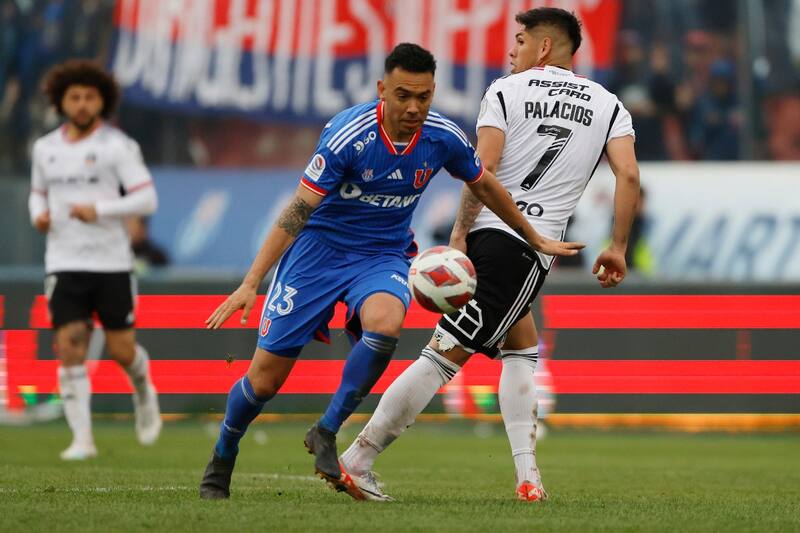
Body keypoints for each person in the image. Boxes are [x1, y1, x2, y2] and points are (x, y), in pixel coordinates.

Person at [198, 43, 583, 500]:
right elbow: (298, 211)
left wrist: (532, 235)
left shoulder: (443, 137)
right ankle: (223, 455)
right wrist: (250, 282)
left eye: (424, 96)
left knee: (386, 324)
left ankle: (327, 429)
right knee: (264, 380)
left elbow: (484, 184)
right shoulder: (348, 136)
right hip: (317, 257)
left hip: (383, 255)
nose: (414, 107)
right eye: (403, 95)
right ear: (383, 90)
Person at [337, 8, 640, 502]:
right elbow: (628, 176)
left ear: (543, 47)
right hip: (526, 248)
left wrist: (460, 234)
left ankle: (528, 478)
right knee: (443, 355)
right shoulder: (610, 106)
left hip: (489, 237)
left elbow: (484, 168)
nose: (511, 51)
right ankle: (358, 458)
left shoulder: (504, 90)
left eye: (519, 41)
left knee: (521, 345)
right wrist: (619, 246)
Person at [28, 60, 162, 460]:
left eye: (90, 96)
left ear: (102, 101)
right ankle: (82, 439)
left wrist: (100, 209)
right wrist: (37, 215)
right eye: (75, 96)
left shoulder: (117, 147)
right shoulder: (44, 148)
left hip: (111, 262)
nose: (82, 104)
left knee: (122, 350)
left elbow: (147, 198)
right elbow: (37, 192)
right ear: (61, 101)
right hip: (63, 260)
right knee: (69, 344)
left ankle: (143, 389)